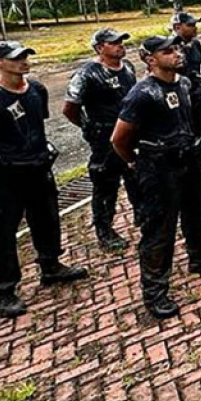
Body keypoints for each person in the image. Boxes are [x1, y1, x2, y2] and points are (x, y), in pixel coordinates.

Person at [0, 41, 88, 319]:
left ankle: (51, 266)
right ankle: (3, 290)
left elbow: (36, 125)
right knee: (2, 233)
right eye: (15, 58)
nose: (23, 62)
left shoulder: (37, 89)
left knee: (47, 219)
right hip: (5, 175)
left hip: (37, 168)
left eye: (25, 56)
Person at [111, 35, 201, 320]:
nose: (177, 54)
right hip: (158, 168)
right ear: (151, 60)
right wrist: (136, 162)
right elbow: (119, 139)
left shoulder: (184, 83)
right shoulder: (142, 93)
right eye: (168, 51)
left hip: (187, 161)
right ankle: (154, 291)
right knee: (159, 231)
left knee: (196, 212)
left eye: (177, 49)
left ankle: (200, 254)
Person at [62, 28, 140, 251]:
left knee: (135, 176)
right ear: (99, 48)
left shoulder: (128, 68)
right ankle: (104, 230)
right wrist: (89, 127)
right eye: (113, 42)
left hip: (129, 134)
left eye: (121, 41)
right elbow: (70, 108)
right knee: (106, 185)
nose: (120, 45)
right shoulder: (87, 74)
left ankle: (141, 215)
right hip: (104, 139)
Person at [171, 11, 201, 181]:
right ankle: (189, 170)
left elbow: (196, 70)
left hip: (196, 96)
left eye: (195, 24)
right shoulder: (171, 49)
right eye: (190, 25)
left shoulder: (195, 45)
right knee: (184, 135)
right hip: (181, 100)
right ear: (177, 27)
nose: (194, 28)